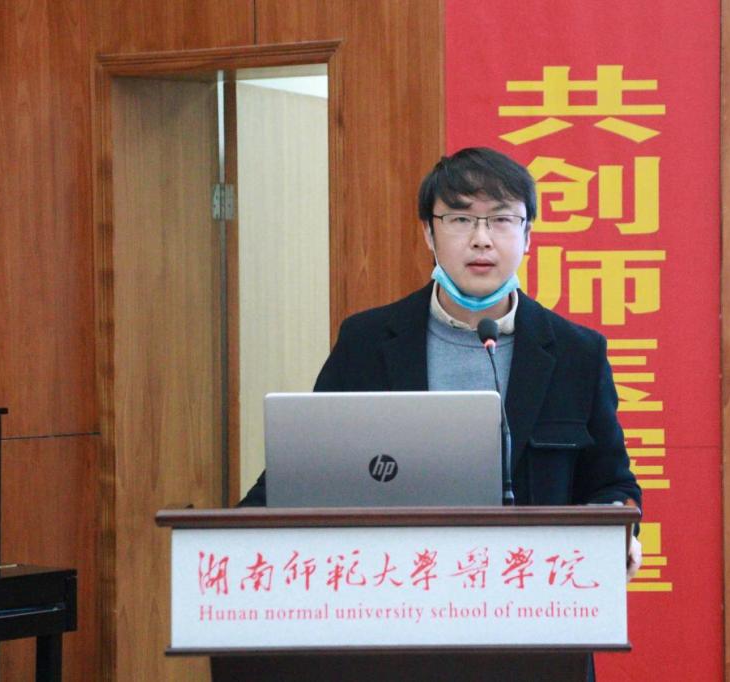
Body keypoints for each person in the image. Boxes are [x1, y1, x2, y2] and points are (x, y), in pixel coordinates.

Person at [240, 147, 642, 577]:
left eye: (501, 219)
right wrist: (231, 539)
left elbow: (610, 482)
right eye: (460, 219)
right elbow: (301, 472)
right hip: (394, 589)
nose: (481, 239)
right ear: (429, 234)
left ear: (527, 236)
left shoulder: (577, 353)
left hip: (529, 593)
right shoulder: (368, 341)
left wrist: (618, 526)